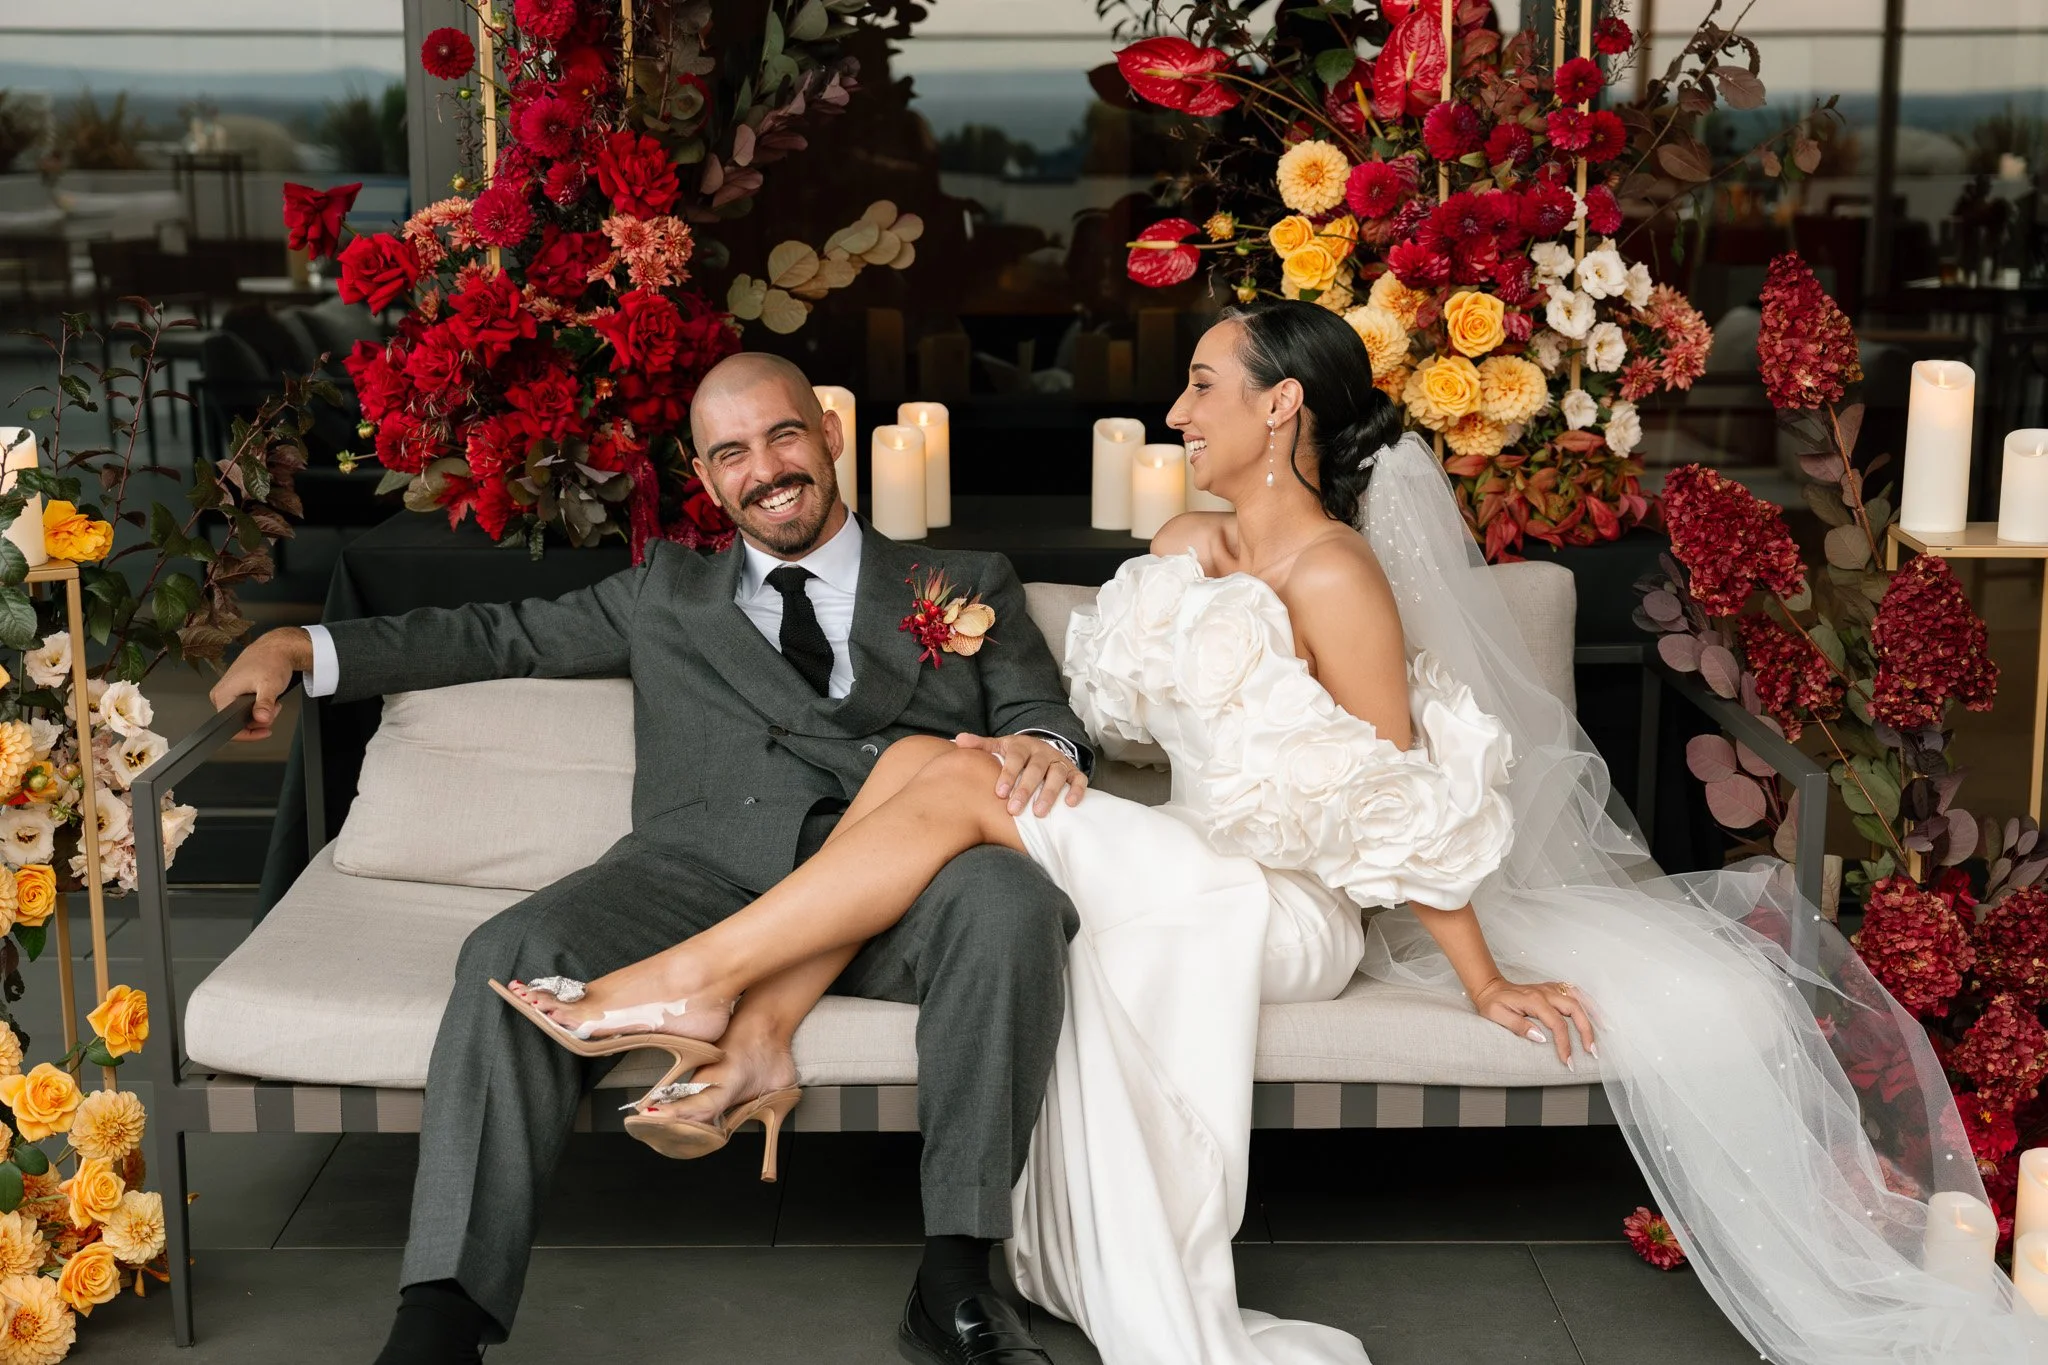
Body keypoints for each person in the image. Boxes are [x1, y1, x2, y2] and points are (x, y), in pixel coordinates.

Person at [510, 301, 2048, 1365]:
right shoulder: (1191, 537)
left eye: (1201, 383)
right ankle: (736, 1003)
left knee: (950, 769)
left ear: (1281, 406)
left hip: (1284, 906)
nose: (1176, 406)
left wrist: (1484, 970)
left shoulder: (1335, 578)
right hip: (1184, 857)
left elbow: (1404, 795)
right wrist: (1059, 729)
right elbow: (1126, 723)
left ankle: (693, 982)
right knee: (940, 756)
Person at [208, 352, 1097, 1365]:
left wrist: (1040, 746)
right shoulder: (664, 594)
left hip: (902, 887)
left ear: (830, 434)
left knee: (1011, 901)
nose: (765, 469)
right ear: (705, 475)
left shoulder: (963, 583)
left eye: (783, 435)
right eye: (731, 453)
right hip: (690, 880)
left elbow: (1037, 710)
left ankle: (956, 1280)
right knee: (516, 946)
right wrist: (303, 650)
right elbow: (497, 637)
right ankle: (440, 1319)